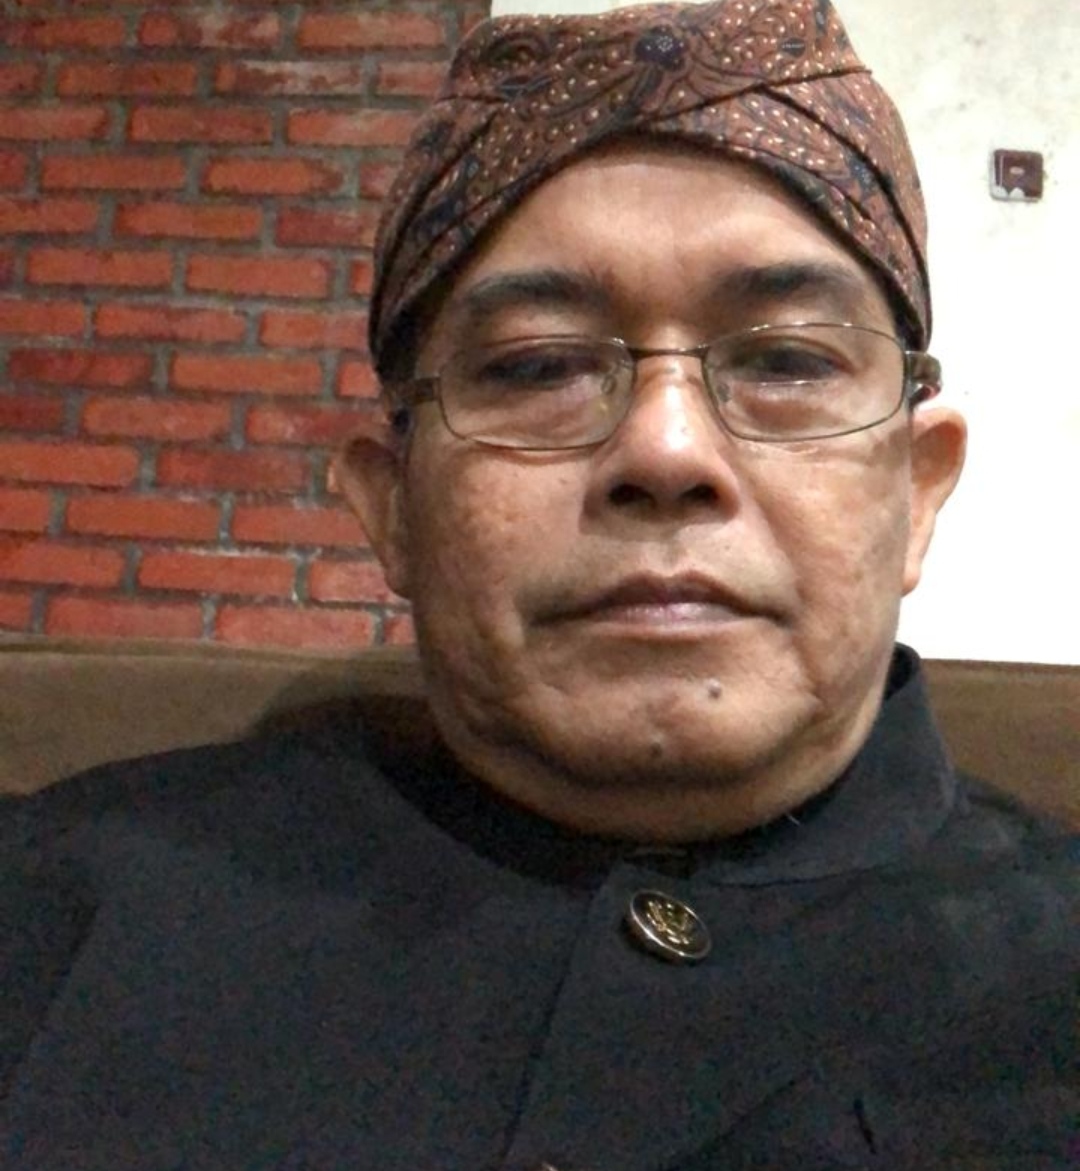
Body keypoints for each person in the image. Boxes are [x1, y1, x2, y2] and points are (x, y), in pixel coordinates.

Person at [2, 2, 1076, 1167]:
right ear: (393, 505)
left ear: (919, 488)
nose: (666, 451)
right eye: (539, 366)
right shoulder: (56, 908)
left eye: (785, 359)